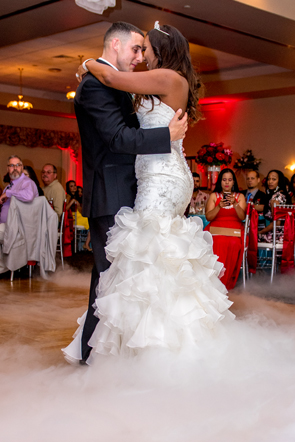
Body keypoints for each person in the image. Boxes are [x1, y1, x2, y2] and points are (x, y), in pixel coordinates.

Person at [63, 21, 233, 365]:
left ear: (160, 50)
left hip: (157, 180)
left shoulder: (158, 79)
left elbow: (113, 84)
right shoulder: (97, 86)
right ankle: (114, 354)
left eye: (146, 49)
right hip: (124, 188)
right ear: (116, 45)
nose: (141, 56)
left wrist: (88, 63)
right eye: (136, 49)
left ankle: (131, 356)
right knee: (128, 274)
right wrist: (165, 135)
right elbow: (118, 137)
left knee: (131, 273)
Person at [205, 168, 247, 290]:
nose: (227, 182)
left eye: (229, 180)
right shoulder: (214, 196)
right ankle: (214, 280)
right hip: (216, 229)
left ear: (233, 182)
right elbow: (208, 217)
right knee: (217, 241)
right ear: (220, 181)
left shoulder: (240, 196)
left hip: (235, 230)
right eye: (224, 180)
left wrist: (235, 204)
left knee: (233, 243)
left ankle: (226, 281)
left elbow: (242, 217)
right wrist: (219, 206)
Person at [0, 156, 39, 237]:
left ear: (21, 167)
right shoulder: (9, 186)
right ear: (7, 169)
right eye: (11, 165)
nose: (15, 168)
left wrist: (8, 193)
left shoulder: (27, 182)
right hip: (7, 228)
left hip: (20, 230)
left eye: (18, 165)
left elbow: (29, 196)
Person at [258, 169, 289, 243]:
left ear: (280, 181)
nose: (270, 181)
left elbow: (277, 223)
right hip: (278, 232)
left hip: (277, 234)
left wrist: (260, 232)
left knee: (249, 236)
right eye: (269, 179)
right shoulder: (279, 195)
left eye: (274, 179)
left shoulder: (277, 198)